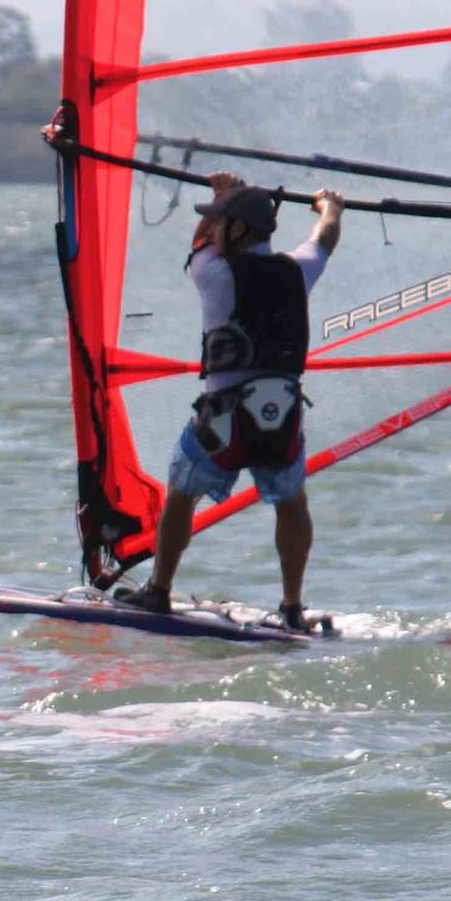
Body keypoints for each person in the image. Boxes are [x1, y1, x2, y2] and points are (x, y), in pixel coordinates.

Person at [117, 175, 342, 629]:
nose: (213, 229)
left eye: (220, 222)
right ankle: (292, 607)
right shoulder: (298, 270)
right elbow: (325, 239)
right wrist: (330, 207)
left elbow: (200, 243)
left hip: (224, 424)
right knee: (292, 503)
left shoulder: (214, 273)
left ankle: (158, 591)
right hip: (280, 420)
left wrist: (222, 195)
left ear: (236, 229)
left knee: (181, 495)